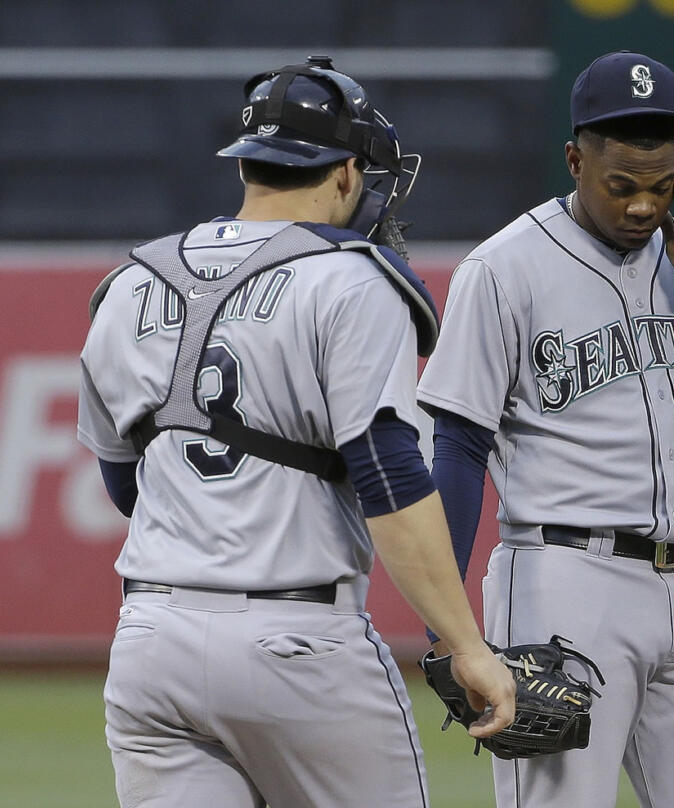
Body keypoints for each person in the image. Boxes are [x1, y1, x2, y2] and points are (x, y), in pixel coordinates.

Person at [76, 56, 515, 808]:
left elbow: (127, 486)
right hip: (299, 642)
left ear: (250, 164)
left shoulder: (129, 283)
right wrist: (466, 644)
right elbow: (390, 477)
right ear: (346, 171)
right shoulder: (349, 277)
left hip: (151, 642)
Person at [416, 51, 674, 808]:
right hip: (565, 585)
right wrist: (450, 626)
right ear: (575, 159)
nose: (643, 207)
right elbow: (456, 446)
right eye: (621, 186)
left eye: (660, 185)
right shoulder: (505, 269)